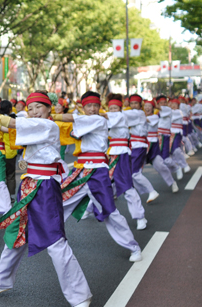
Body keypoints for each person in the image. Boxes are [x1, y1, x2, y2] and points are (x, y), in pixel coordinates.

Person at [0, 91, 92, 307]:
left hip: (46, 186)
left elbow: (11, 124)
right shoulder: (30, 124)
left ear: (49, 109)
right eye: (31, 107)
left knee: (55, 240)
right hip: (28, 184)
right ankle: (1, 280)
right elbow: (8, 129)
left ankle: (79, 295)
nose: (35, 111)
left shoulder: (49, 126)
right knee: (15, 234)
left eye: (39, 106)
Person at [53, 91, 142, 262]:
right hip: (81, 170)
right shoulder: (83, 118)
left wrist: (52, 115)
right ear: (84, 107)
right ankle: (47, 236)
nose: (92, 109)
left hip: (98, 171)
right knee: (60, 200)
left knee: (110, 211)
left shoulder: (99, 120)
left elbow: (71, 120)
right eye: (88, 106)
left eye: (95, 105)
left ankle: (133, 247)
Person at [105, 94, 147, 230]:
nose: (112, 110)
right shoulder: (109, 117)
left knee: (127, 186)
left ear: (121, 108)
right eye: (110, 108)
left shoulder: (123, 116)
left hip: (121, 153)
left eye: (115, 108)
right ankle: (92, 207)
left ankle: (140, 216)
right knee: (102, 183)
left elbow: (110, 118)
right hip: (109, 154)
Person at [127, 94, 160, 202]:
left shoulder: (139, 113)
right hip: (134, 145)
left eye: (136, 103)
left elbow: (122, 117)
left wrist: (106, 115)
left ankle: (151, 191)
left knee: (135, 173)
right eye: (131, 103)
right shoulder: (135, 113)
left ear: (140, 104)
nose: (133, 105)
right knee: (128, 171)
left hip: (139, 145)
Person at [142, 100, 178, 193]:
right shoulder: (141, 116)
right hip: (141, 146)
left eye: (149, 106)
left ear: (153, 108)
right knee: (132, 170)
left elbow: (144, 120)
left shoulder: (155, 117)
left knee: (161, 166)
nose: (147, 108)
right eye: (145, 106)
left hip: (153, 147)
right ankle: (115, 191)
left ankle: (172, 183)